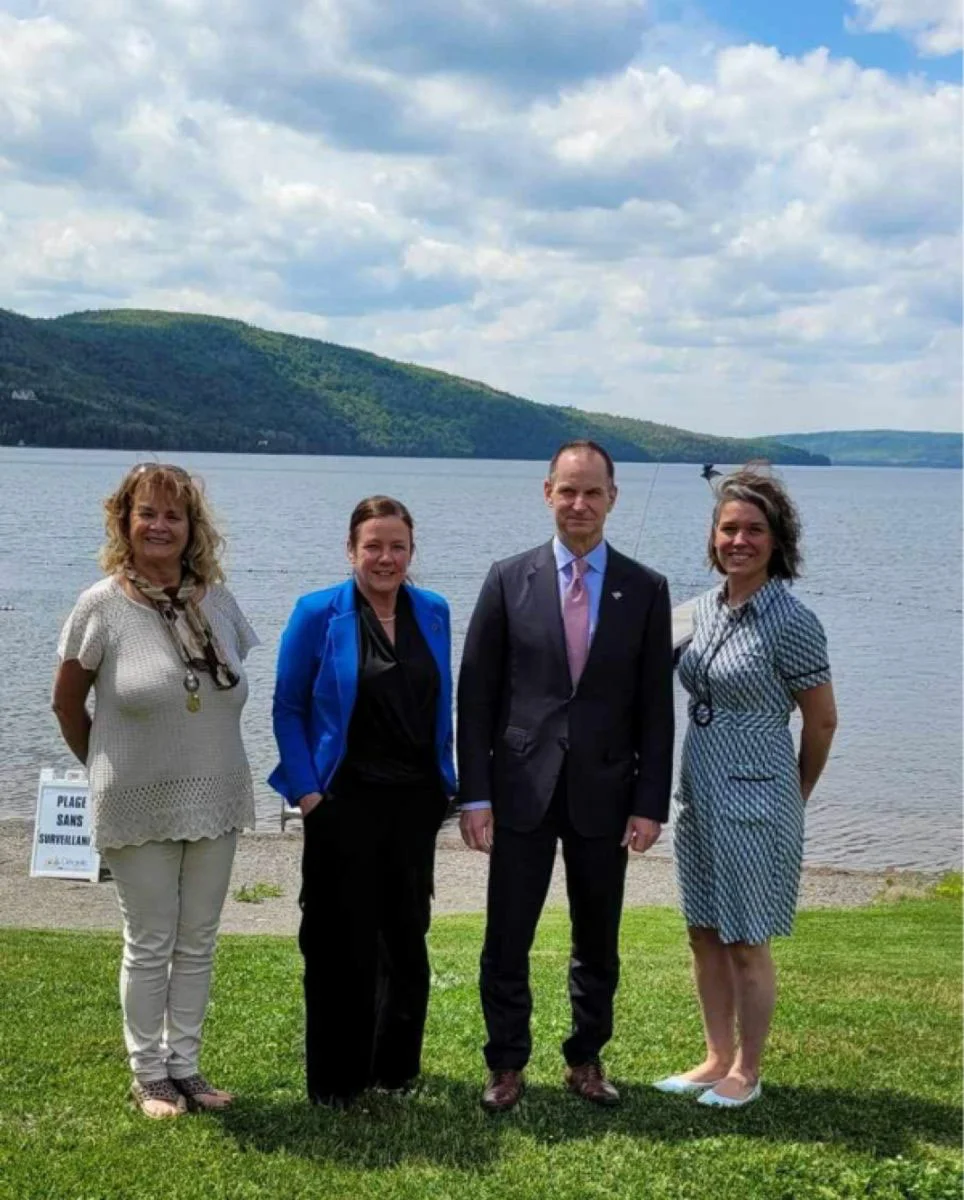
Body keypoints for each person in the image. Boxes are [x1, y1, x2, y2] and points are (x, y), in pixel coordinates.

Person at [458, 440, 675, 1112]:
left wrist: (650, 803)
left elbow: (655, 710)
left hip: (606, 795)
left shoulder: (645, 589)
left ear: (612, 496)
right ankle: (506, 1065)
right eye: (568, 491)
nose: (579, 505)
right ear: (547, 491)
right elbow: (477, 696)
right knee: (506, 939)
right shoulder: (506, 578)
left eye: (593, 492)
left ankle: (585, 1058)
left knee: (597, 941)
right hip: (522, 789)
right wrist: (476, 793)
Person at [52, 463, 259, 1119]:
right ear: (125, 521)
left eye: (174, 515)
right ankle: (149, 1077)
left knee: (198, 939)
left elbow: (227, 687)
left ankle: (187, 1069)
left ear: (192, 527)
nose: (161, 526)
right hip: (136, 802)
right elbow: (65, 705)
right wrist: (107, 770)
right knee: (149, 941)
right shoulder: (101, 606)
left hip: (217, 796)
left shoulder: (217, 601)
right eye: (148, 513)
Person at [655, 466, 837, 1109]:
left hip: (760, 796)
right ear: (712, 538)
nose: (739, 540)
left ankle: (749, 1071)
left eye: (754, 530)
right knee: (703, 929)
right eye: (728, 529)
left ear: (777, 539)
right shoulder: (700, 609)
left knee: (744, 937)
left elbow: (821, 720)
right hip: (698, 790)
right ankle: (715, 1056)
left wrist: (796, 791)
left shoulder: (791, 619)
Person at [270, 495, 456, 1108]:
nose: (385, 557)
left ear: (412, 551)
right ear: (351, 550)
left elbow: (439, 703)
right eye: (372, 545)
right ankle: (335, 1081)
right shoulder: (316, 612)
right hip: (341, 802)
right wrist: (307, 792)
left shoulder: (433, 610)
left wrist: (447, 783)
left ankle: (394, 1070)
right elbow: (289, 706)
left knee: (406, 939)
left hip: (414, 805)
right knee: (336, 942)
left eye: (397, 546)